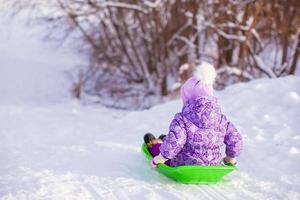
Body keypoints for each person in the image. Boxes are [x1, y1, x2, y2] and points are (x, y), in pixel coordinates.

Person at [151, 62, 243, 168]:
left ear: (187, 98)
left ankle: (155, 144)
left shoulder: (182, 119)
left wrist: (161, 158)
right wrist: (230, 158)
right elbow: (235, 139)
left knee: (157, 148)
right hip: (213, 165)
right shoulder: (221, 119)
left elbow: (175, 141)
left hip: (184, 165)